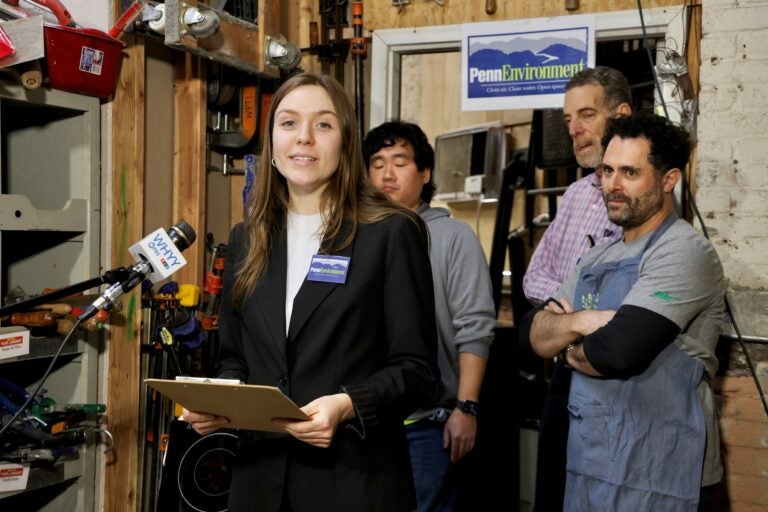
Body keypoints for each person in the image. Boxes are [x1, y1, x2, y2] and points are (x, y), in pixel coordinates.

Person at [182, 73, 440, 512]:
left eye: (323, 125)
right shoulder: (248, 238)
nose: (303, 138)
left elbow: (417, 372)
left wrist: (348, 405)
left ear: (345, 142)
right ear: (271, 141)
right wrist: (220, 400)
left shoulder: (391, 233)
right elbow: (234, 357)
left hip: (354, 483)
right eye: (288, 123)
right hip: (260, 482)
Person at [521, 112, 725, 511]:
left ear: (669, 180)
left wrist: (564, 344)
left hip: (663, 470)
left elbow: (618, 351)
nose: (612, 185)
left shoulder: (683, 252)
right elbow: (531, 334)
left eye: (630, 172)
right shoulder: (597, 256)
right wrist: (582, 322)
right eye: (607, 170)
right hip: (593, 460)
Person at [363, 121, 496, 512]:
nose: (387, 174)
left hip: (428, 426)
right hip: (366, 423)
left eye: (400, 162)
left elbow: (475, 327)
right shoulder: (355, 236)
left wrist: (466, 408)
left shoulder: (453, 238)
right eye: (377, 163)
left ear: (424, 173)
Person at [521, 66, 632, 512]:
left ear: (621, 116)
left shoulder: (642, 200)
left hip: (616, 378)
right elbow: (534, 277)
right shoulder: (575, 195)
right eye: (569, 119)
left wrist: (562, 313)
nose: (575, 129)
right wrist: (571, 313)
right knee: (551, 490)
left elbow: (619, 299)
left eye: (586, 115)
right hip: (565, 371)